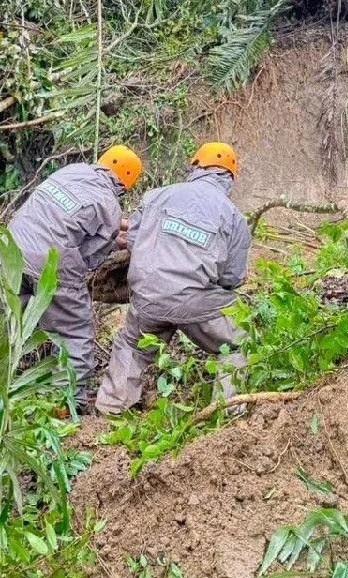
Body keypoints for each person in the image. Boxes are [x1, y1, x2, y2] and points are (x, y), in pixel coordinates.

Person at [96, 142, 251, 415]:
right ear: (230, 177)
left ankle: (109, 410)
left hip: (146, 296)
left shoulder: (156, 196)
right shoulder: (234, 218)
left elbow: (132, 240)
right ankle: (228, 415)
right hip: (196, 303)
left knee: (132, 344)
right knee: (237, 341)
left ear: (195, 166)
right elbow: (232, 278)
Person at [6, 145, 143, 407]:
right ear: (127, 183)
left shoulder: (70, 171)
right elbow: (91, 258)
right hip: (50, 266)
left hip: (8, 252)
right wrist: (116, 240)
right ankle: (65, 405)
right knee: (74, 335)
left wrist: (111, 228)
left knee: (7, 323)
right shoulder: (109, 205)